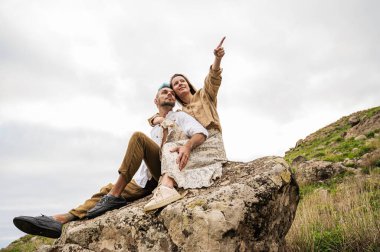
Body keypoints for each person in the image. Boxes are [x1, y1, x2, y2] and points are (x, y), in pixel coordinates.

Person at [13, 84, 209, 238]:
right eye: (164, 92)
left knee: (137, 138)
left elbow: (202, 132)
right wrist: (156, 120)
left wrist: (187, 146)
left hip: (167, 172)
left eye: (171, 93)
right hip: (146, 181)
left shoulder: (180, 116)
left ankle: (114, 196)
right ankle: (60, 220)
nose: (169, 94)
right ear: (155, 100)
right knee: (105, 189)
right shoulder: (155, 125)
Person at [144, 37, 227, 211]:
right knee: (169, 148)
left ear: (188, 84)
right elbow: (164, 116)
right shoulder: (180, 114)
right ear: (174, 92)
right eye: (176, 83)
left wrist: (217, 58)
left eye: (182, 81)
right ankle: (167, 188)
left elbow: (213, 78)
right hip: (194, 143)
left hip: (210, 142)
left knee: (174, 149)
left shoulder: (205, 95)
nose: (180, 83)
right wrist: (154, 119)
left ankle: (166, 187)